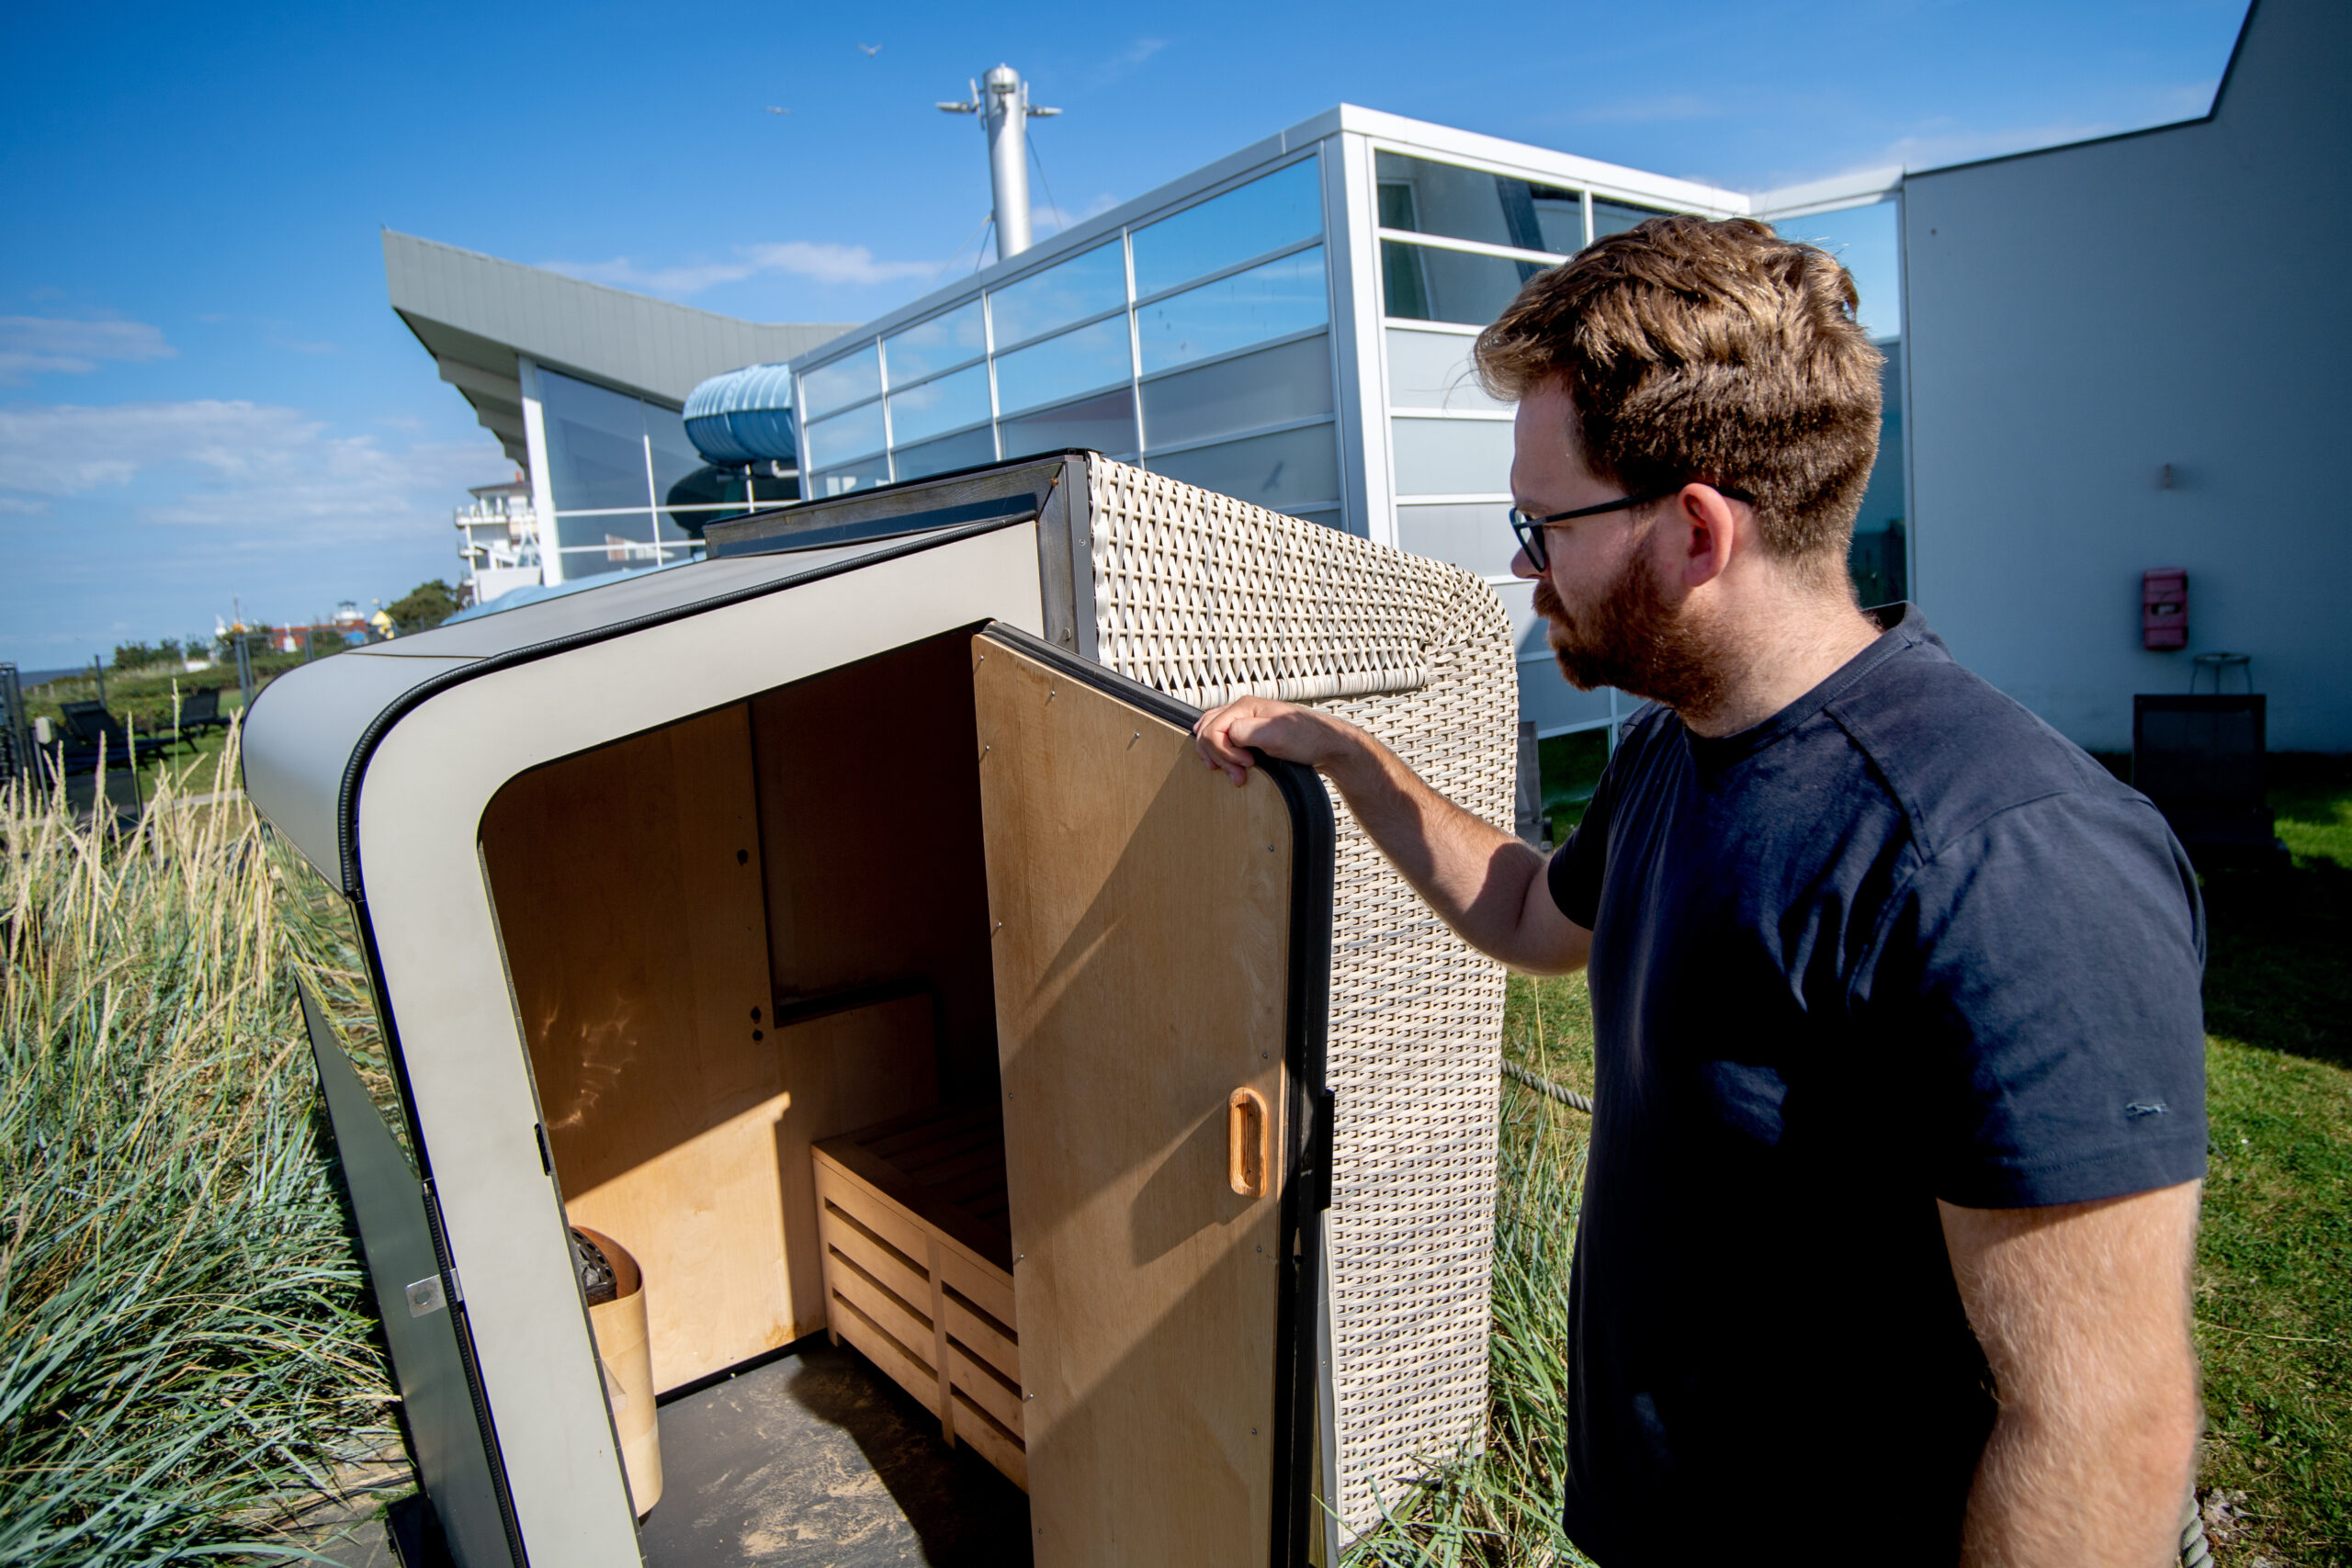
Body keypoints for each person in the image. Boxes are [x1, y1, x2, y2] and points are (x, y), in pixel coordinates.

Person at [1193, 216, 2206, 1567]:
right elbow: (1528, 914)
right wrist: (1350, 761)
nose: (1522, 564)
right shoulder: (1682, 741)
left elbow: (2101, 1431)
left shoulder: (2002, 858)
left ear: (1694, 530)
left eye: (1541, 523)